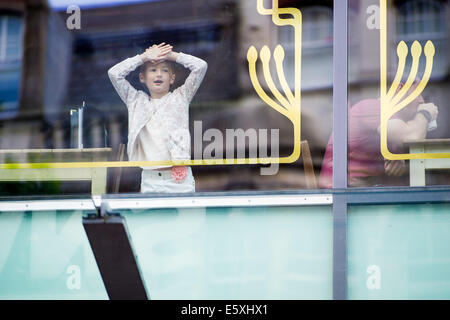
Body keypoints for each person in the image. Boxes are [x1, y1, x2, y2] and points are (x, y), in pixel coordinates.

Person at [108, 43, 208, 193]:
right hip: (150, 179)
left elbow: (201, 66)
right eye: (153, 70)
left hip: (179, 179)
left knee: (188, 216)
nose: (159, 74)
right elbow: (114, 73)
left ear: (172, 78)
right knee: (153, 216)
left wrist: (170, 55)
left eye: (165, 70)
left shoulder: (181, 97)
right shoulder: (135, 101)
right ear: (142, 77)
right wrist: (143, 58)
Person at [319, 81, 439, 188]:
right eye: (418, 93)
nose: (421, 100)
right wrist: (425, 113)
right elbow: (412, 137)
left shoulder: (393, 122)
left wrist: (399, 160)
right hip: (342, 194)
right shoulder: (371, 107)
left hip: (359, 190)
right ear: (399, 88)